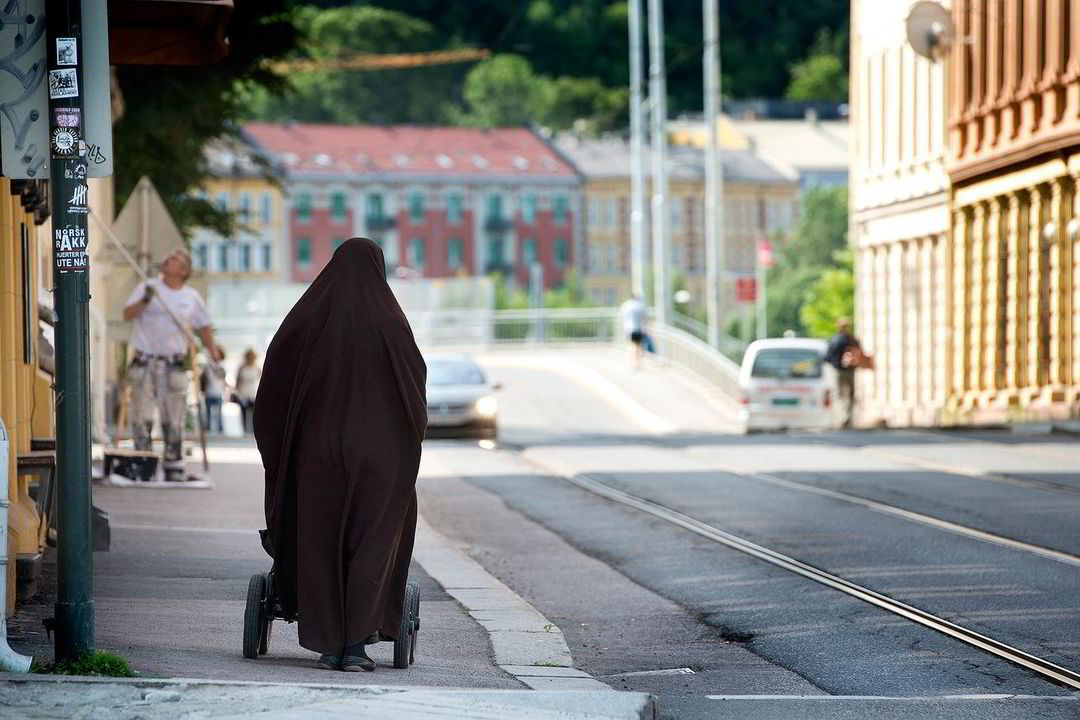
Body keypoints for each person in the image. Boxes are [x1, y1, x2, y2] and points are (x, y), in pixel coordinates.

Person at [254, 238, 427, 672]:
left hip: (319, 454)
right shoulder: (391, 321)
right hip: (380, 457)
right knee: (372, 541)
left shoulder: (307, 317)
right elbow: (415, 391)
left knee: (320, 540)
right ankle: (355, 646)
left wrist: (281, 456)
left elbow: (272, 386)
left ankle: (329, 643)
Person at [123, 248, 222, 482]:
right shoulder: (148, 287)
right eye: (168, 257)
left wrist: (213, 353)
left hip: (174, 362)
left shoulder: (191, 297)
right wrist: (146, 299)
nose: (167, 258)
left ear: (184, 271)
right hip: (145, 359)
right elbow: (127, 314)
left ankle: (173, 465)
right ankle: (142, 464)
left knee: (174, 415)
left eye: (174, 259)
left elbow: (205, 325)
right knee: (142, 414)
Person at [824, 317, 866, 429]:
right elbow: (861, 354)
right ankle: (849, 417)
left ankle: (841, 418)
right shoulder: (853, 340)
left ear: (838, 327)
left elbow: (827, 357)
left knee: (839, 395)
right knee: (851, 395)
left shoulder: (834, 340)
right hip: (851, 371)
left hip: (838, 371)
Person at [234, 349, 261, 435]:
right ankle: (246, 430)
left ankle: (250, 430)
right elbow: (237, 381)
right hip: (245, 393)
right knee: (245, 413)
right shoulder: (243, 368)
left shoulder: (257, 368)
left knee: (251, 414)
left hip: (252, 393)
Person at [199, 351, 226, 434]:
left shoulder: (220, 368)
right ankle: (209, 429)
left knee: (218, 414)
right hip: (210, 393)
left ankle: (220, 430)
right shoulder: (207, 368)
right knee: (209, 414)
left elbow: (221, 377)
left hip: (217, 394)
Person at [619, 294, 648, 368]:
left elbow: (622, 317)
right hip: (639, 328)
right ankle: (639, 361)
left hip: (629, 328)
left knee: (632, 345)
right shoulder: (640, 306)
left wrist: (622, 328)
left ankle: (633, 361)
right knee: (639, 345)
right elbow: (644, 318)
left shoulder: (626, 305)